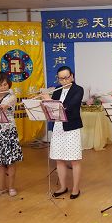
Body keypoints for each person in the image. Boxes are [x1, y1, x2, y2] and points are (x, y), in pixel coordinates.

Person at [42, 66, 84, 199]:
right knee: (59, 159)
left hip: (71, 128)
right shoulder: (56, 90)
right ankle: (62, 186)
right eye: (61, 79)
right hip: (58, 127)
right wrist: (46, 101)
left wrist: (48, 100)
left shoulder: (78, 90)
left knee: (74, 160)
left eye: (66, 77)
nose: (64, 81)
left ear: (72, 76)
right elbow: (51, 110)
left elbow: (68, 107)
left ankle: (76, 188)